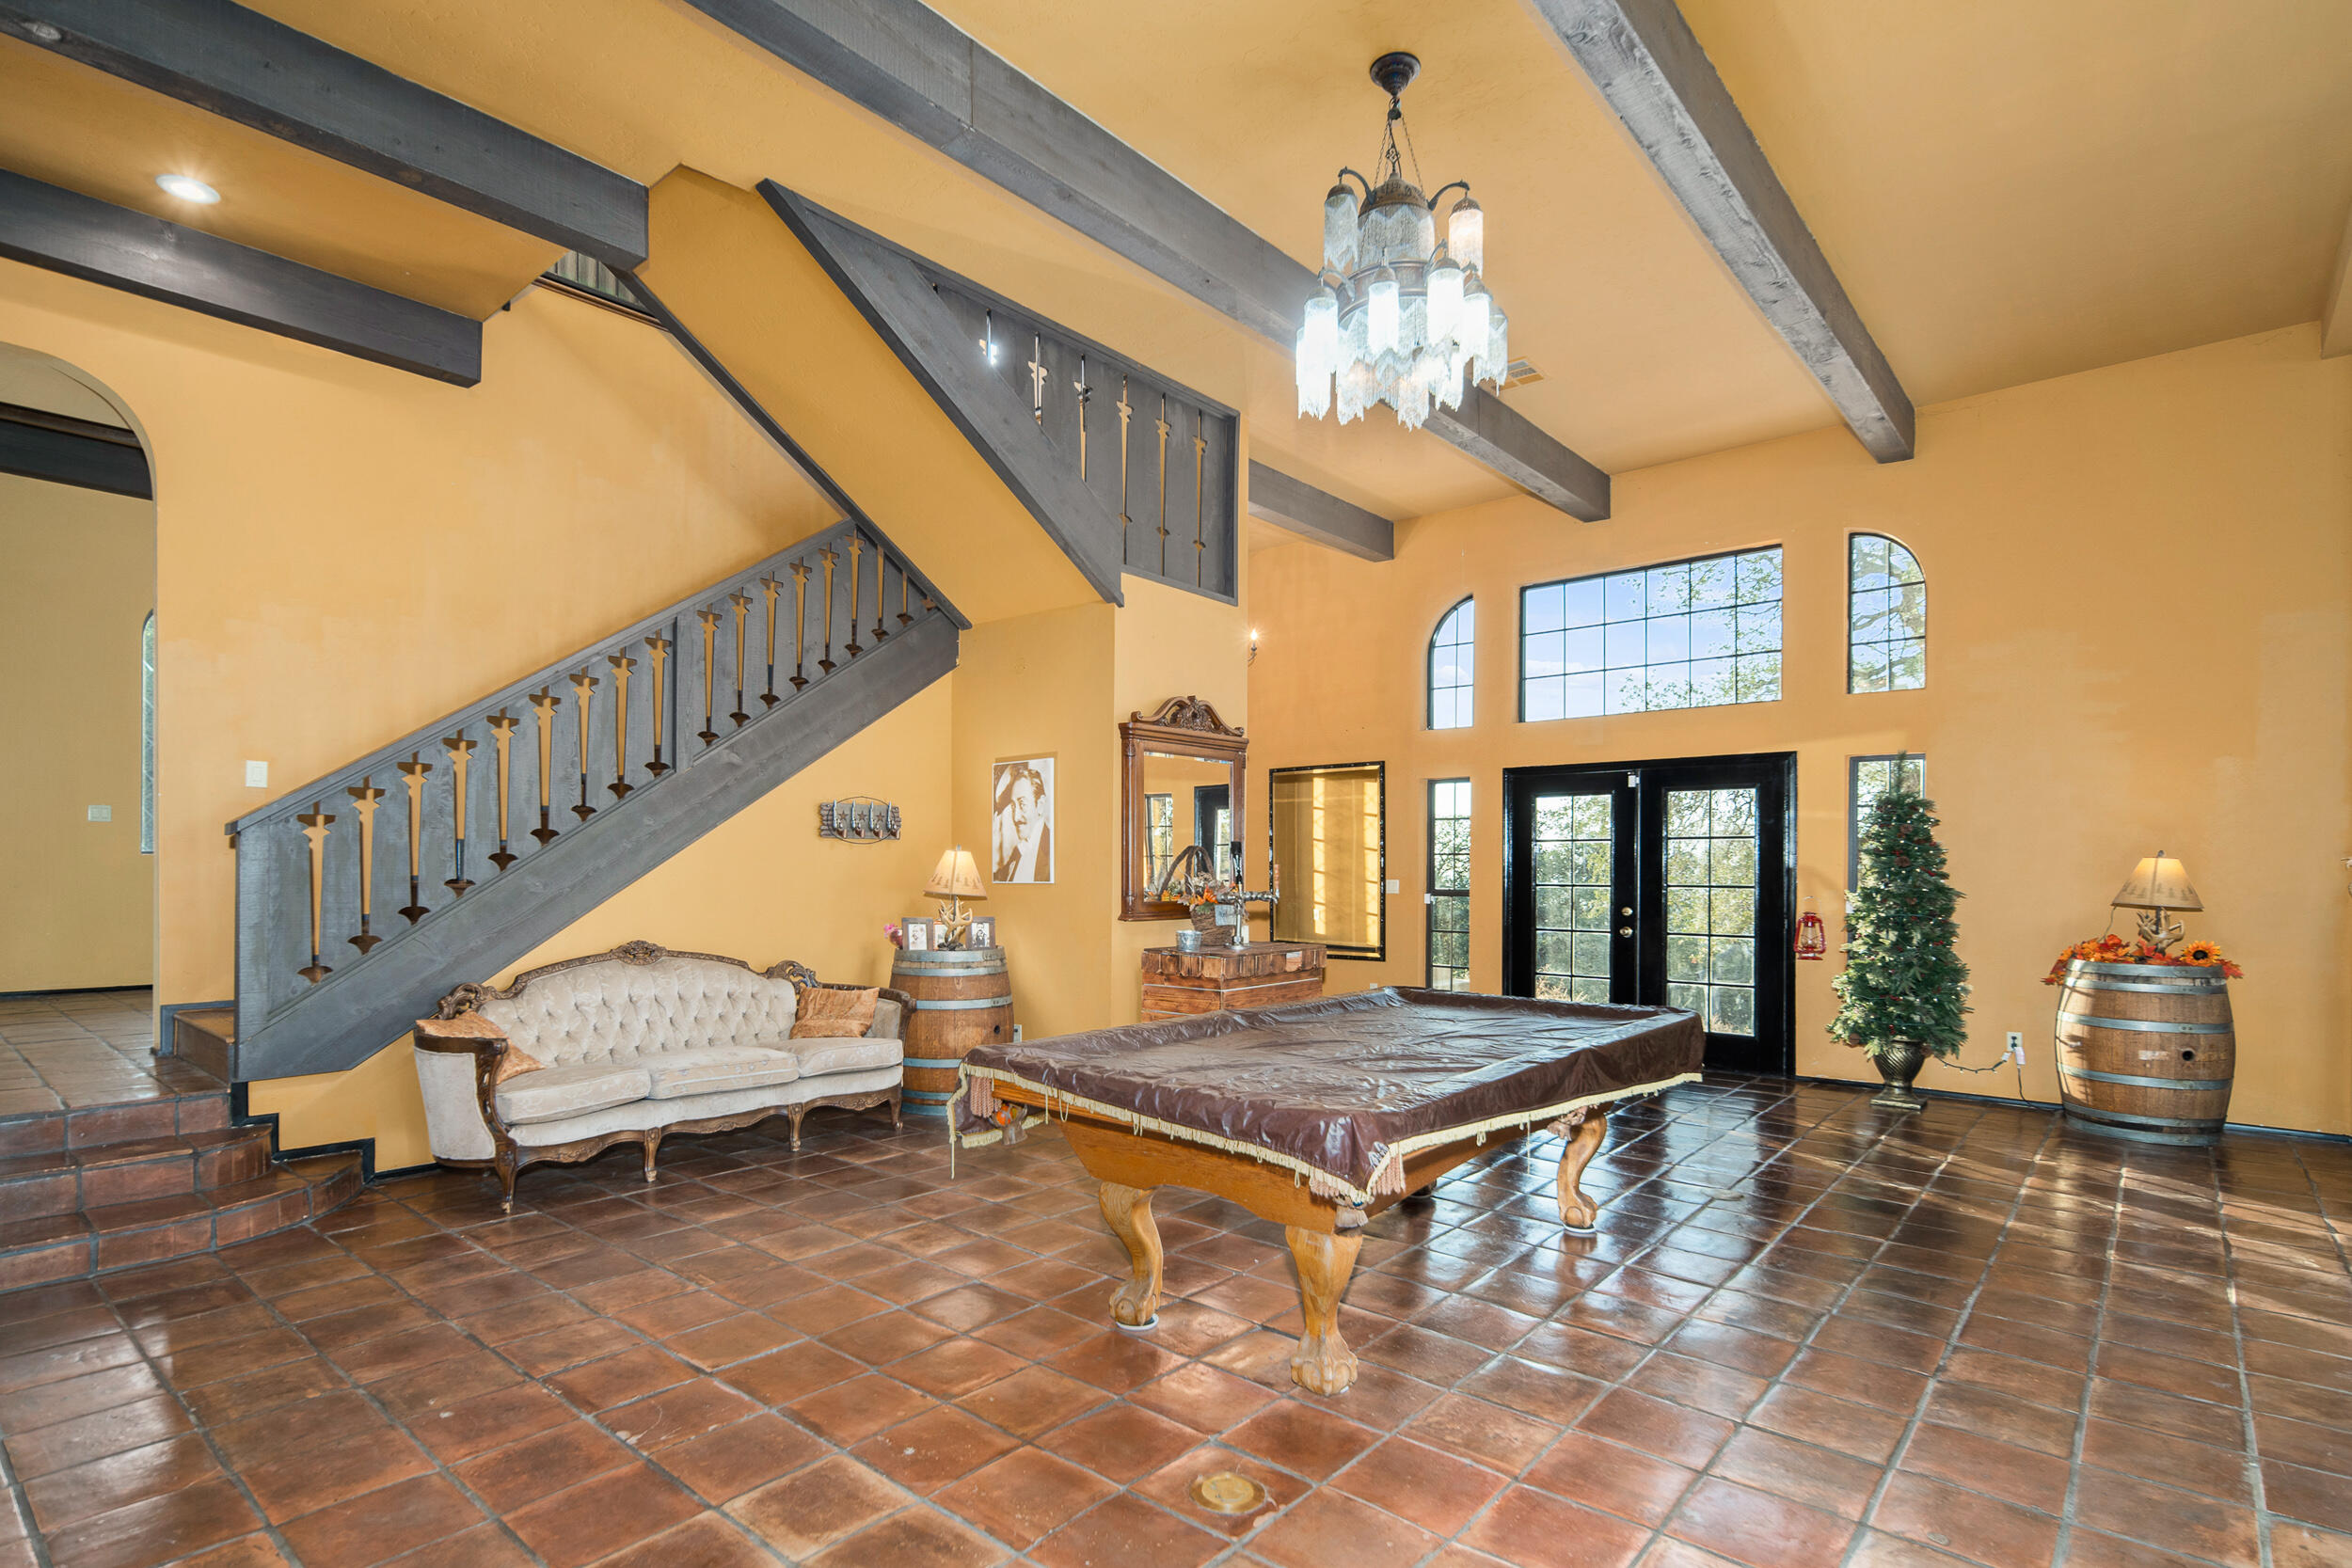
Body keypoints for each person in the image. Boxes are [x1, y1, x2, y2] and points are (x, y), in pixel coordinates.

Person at [993, 762, 1052, 882]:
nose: (1016, 817)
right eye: (1014, 806)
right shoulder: (1018, 851)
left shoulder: (1052, 851)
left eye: (1022, 804)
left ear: (1040, 805)